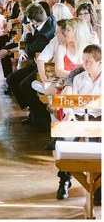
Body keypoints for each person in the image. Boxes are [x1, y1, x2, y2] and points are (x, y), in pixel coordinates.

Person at [55, 44, 101, 203]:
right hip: (79, 116)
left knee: (99, 144)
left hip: (98, 117)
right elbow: (69, 101)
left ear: (99, 63)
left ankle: (99, 186)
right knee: (64, 139)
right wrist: (70, 113)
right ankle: (64, 179)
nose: (84, 64)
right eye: (83, 60)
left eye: (89, 61)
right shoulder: (78, 78)